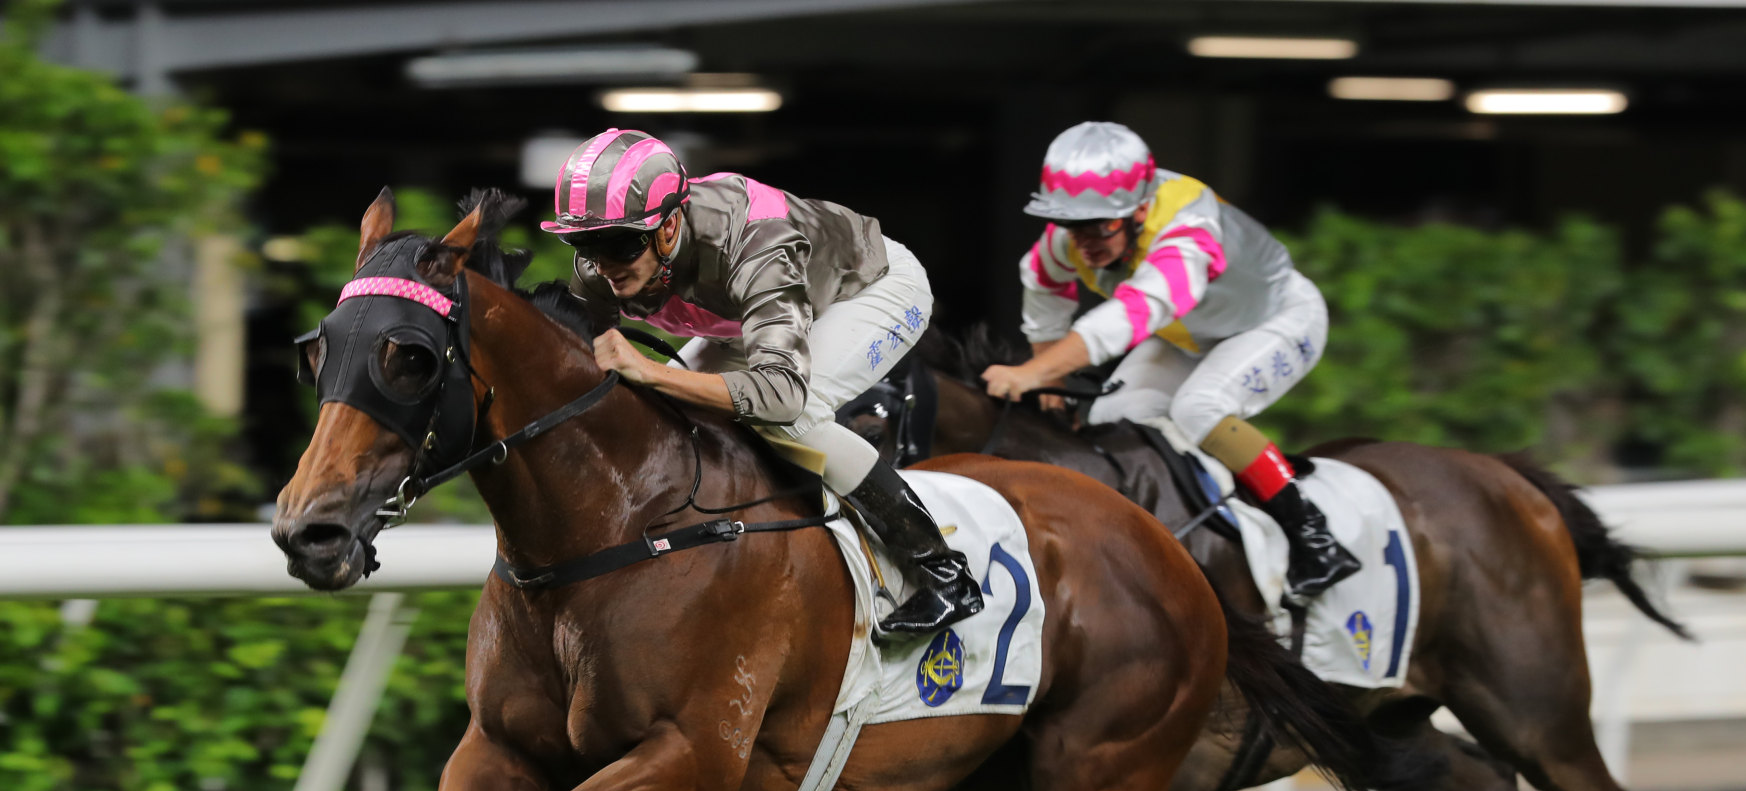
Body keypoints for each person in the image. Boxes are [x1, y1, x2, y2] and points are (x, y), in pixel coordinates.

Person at [546, 128, 982, 643]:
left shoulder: (756, 242)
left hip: (869, 289)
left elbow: (780, 395)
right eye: (584, 243)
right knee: (660, 409)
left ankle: (942, 573)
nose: (601, 265)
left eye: (617, 244)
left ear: (668, 228)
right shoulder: (604, 261)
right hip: (752, 313)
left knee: (793, 420)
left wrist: (652, 370)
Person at [983, 121, 1358, 600]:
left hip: (1278, 319)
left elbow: (1137, 313)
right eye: (1073, 224)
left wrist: (1034, 372)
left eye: (1102, 224)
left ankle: (1314, 536)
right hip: (1188, 334)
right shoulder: (1068, 240)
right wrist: (1049, 381)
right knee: (1110, 419)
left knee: (1198, 407)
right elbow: (1043, 291)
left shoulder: (1190, 227)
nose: (1086, 240)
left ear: (1141, 208)